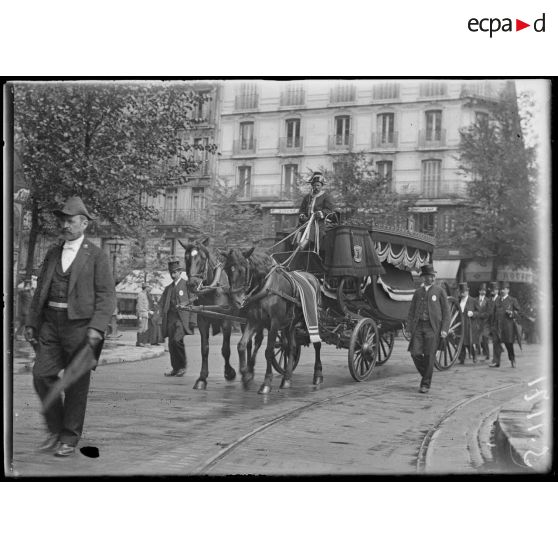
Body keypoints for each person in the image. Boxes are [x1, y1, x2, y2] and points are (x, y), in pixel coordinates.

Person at [24, 196, 115, 457]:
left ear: (84, 223)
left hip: (81, 327)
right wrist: (32, 322)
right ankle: (56, 428)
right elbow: (41, 288)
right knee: (41, 375)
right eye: (62, 219)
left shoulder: (96, 255)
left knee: (76, 385)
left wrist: (97, 328)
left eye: (70, 220)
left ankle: (69, 437)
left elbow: (107, 294)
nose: (65, 224)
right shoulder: (53, 253)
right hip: (50, 324)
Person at [407, 264, 450, 393]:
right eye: (428, 276)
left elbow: (446, 312)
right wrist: (409, 328)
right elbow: (411, 311)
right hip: (419, 326)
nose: (430, 278)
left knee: (429, 355)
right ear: (423, 277)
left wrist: (444, 329)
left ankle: (425, 384)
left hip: (433, 328)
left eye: (432, 276)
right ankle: (427, 373)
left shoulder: (439, 291)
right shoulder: (418, 292)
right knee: (415, 353)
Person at [159, 257, 194, 377]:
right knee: (171, 344)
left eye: (175, 272)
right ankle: (175, 368)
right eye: (171, 273)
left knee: (177, 340)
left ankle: (182, 367)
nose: (173, 275)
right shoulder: (168, 288)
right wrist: (157, 315)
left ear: (180, 272)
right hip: (170, 318)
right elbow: (161, 303)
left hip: (182, 319)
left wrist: (192, 321)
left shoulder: (187, 285)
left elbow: (194, 301)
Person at [296, 171, 336, 254]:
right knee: (297, 231)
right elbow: (302, 210)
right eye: (314, 185)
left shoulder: (326, 196)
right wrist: (302, 215)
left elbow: (330, 210)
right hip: (307, 222)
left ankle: (310, 249)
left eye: (318, 185)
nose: (316, 187)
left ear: (321, 186)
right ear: (312, 186)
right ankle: (297, 248)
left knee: (315, 231)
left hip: (321, 222)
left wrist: (321, 213)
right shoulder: (307, 197)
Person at [490, 281, 521, 368]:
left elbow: (518, 312)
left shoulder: (512, 300)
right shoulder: (497, 300)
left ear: (508, 290)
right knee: (496, 343)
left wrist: (512, 313)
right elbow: (494, 312)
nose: (502, 291)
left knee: (508, 344)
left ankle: (512, 359)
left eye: (504, 289)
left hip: (508, 326)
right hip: (497, 326)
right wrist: (492, 326)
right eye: (501, 289)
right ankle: (496, 362)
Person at [457, 282, 480, 364]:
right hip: (461, 323)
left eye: (464, 291)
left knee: (470, 341)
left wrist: (473, 313)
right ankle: (461, 358)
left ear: (467, 291)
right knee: (461, 341)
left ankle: (474, 356)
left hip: (470, 323)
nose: (462, 293)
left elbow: (479, 312)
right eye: (461, 291)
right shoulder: (458, 300)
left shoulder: (473, 300)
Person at [487, 281, 502, 366]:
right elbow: (487, 312)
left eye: (494, 290)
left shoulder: (500, 300)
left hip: (498, 325)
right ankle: (495, 360)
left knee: (496, 342)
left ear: (497, 290)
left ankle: (496, 361)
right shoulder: (489, 300)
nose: (492, 291)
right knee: (495, 343)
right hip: (491, 325)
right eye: (491, 290)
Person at [475, 283, 491, 361]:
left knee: (485, 338)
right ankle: (478, 352)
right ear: (479, 291)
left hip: (485, 322)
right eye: (481, 290)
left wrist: (481, 315)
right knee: (477, 339)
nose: (483, 292)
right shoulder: (475, 300)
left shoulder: (488, 301)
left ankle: (487, 354)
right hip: (477, 323)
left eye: (484, 290)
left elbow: (488, 312)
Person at [136, 283, 152, 347]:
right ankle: (139, 342)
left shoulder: (145, 294)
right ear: (145, 287)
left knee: (145, 328)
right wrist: (139, 315)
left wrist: (149, 311)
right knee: (141, 328)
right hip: (142, 313)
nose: (149, 288)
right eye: (148, 287)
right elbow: (139, 305)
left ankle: (143, 342)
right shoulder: (140, 295)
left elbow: (146, 305)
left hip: (145, 313)